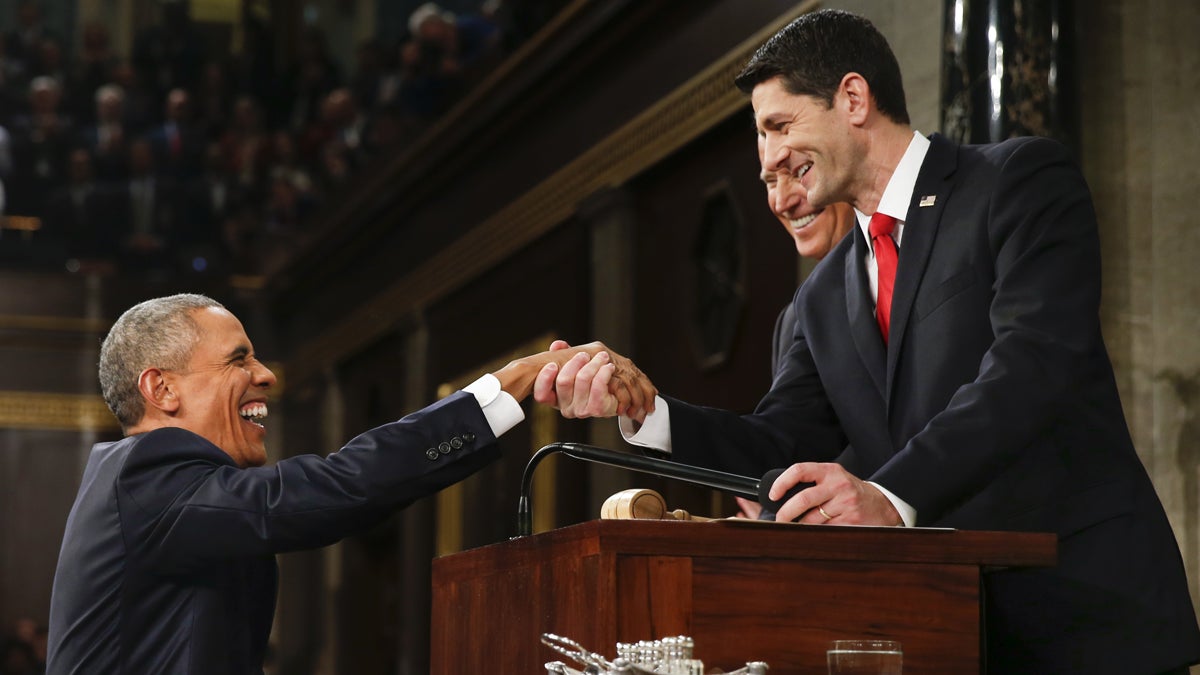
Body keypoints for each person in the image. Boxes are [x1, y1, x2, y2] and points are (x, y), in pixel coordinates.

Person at [535, 9, 1200, 674]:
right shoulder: (822, 296)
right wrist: (648, 410)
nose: (767, 158)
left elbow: (1031, 366)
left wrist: (889, 495)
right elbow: (781, 444)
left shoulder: (1017, 182)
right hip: (945, 635)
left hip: (1088, 621)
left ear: (853, 98)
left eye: (778, 125)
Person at [46, 293, 653, 674]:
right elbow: (331, 490)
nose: (265, 376)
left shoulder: (152, 484)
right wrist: (511, 385)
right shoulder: (149, 476)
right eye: (238, 360)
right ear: (162, 389)